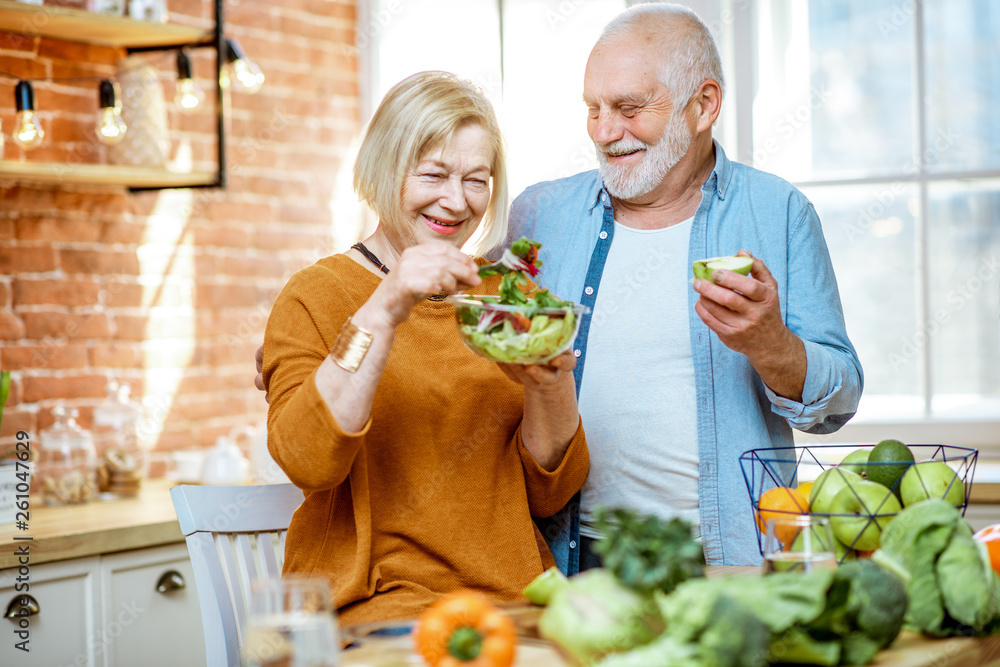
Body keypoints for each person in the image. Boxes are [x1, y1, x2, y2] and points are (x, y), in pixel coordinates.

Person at [508, 3, 862, 570]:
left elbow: (837, 402)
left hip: (725, 562)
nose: (604, 132)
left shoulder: (779, 212)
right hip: (571, 560)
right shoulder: (538, 216)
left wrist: (772, 344)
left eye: (628, 108)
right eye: (593, 109)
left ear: (704, 105)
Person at [261, 71, 588, 626]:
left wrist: (549, 382)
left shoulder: (508, 297)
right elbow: (308, 461)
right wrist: (385, 308)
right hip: (378, 607)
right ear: (384, 168)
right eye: (433, 174)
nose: (456, 202)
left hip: (513, 605)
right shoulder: (317, 294)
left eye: (476, 180)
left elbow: (547, 493)